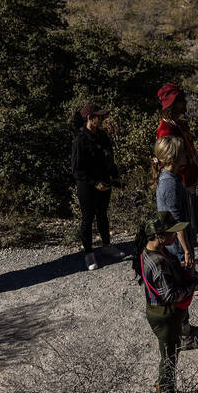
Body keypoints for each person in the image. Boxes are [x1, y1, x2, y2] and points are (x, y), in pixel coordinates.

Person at [138, 211, 198, 393]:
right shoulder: (158, 263)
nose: (176, 236)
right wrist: (194, 284)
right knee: (169, 357)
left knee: (168, 352)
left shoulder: (151, 251)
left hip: (160, 312)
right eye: (172, 233)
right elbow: (171, 295)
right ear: (159, 235)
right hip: (165, 315)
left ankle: (163, 388)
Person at [154, 135, 198, 349]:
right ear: (173, 158)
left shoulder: (172, 177)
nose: (187, 154)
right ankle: (182, 334)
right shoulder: (169, 184)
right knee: (181, 290)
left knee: (183, 289)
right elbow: (177, 224)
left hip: (177, 244)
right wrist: (187, 250)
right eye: (183, 152)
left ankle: (184, 328)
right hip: (176, 246)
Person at [71, 103, 125, 272]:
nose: (102, 119)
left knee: (102, 215)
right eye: (98, 117)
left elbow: (110, 158)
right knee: (87, 218)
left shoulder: (102, 135)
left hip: (104, 182)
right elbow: (77, 170)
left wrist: (114, 175)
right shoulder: (80, 140)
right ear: (89, 118)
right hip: (87, 186)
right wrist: (94, 183)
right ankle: (89, 254)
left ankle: (107, 246)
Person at [155, 82, 198, 243]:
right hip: (183, 185)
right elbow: (172, 161)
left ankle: (188, 261)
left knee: (190, 226)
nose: (184, 103)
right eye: (180, 100)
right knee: (182, 225)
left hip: (190, 181)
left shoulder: (178, 125)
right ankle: (184, 261)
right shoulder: (166, 130)